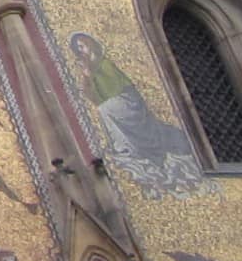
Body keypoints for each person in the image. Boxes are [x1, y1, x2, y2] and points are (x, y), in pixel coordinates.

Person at [68, 31, 205, 192]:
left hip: (128, 100)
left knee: (106, 109)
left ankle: (123, 147)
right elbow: (95, 97)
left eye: (83, 45)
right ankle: (124, 146)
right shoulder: (90, 69)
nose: (82, 49)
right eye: (78, 48)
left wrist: (93, 76)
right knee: (104, 109)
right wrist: (87, 77)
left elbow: (114, 89)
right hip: (115, 103)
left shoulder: (104, 64)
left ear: (90, 44)